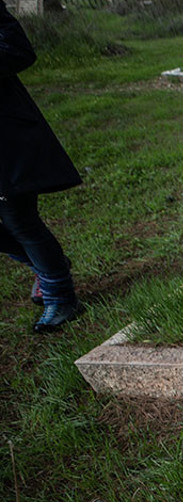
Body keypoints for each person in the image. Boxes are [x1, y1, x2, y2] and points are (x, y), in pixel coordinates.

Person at [1, 1, 84, 333]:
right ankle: (48, 265)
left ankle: (61, 296)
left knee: (18, 218)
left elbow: (17, 50)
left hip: (4, 136)